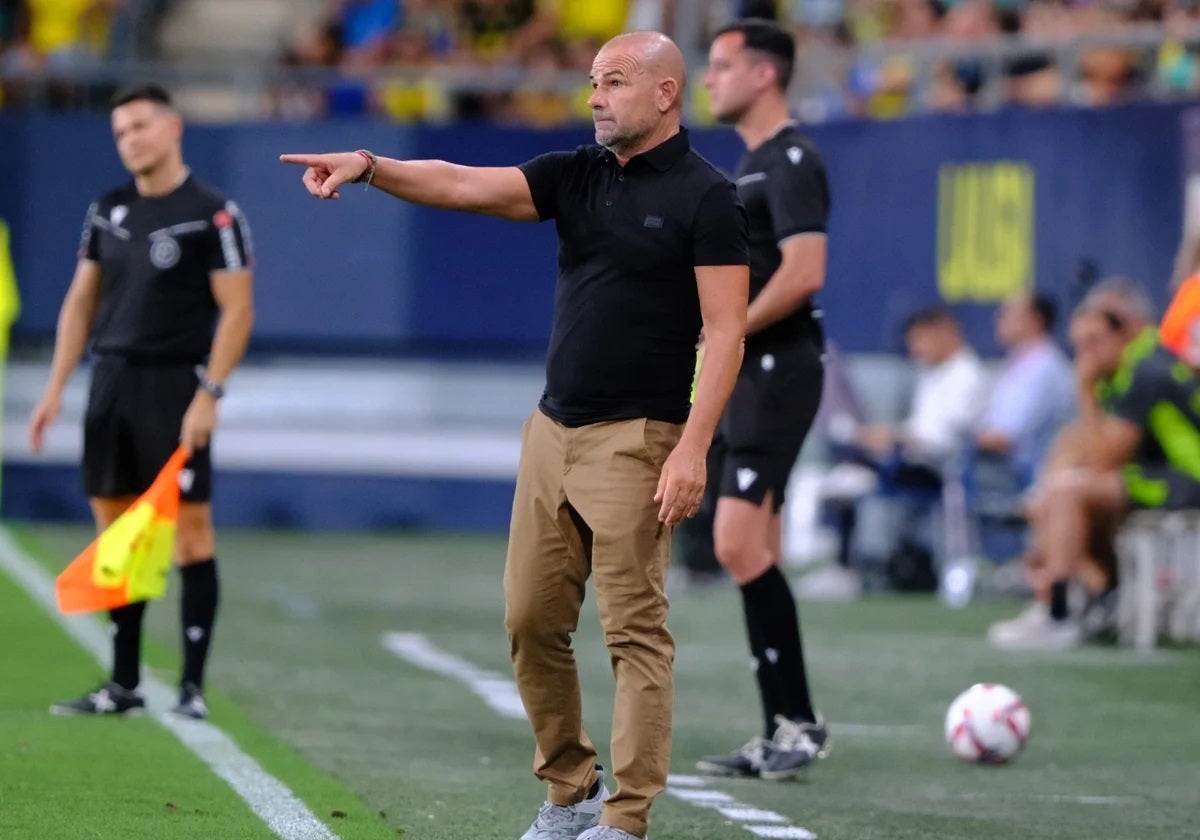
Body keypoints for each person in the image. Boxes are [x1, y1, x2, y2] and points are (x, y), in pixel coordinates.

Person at [282, 31, 749, 840]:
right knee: (530, 620)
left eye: (614, 81)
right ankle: (569, 790)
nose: (596, 96)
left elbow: (726, 331)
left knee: (635, 633)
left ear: (667, 93)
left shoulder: (709, 197)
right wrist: (371, 167)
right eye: (593, 80)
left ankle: (625, 819)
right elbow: (461, 183)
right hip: (551, 429)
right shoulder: (576, 175)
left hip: (639, 438)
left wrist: (692, 444)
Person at [28, 83, 255, 718]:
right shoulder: (109, 209)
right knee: (118, 532)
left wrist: (209, 394)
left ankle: (192, 689)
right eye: (121, 132)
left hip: (176, 385)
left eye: (140, 127)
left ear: (173, 128)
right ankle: (123, 684)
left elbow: (237, 313)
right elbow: (82, 301)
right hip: (112, 382)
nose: (131, 140)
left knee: (190, 534)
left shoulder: (214, 213)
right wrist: (55, 388)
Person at [694, 18, 830, 782]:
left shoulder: (793, 158)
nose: (710, 79)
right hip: (756, 366)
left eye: (721, 66)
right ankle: (785, 725)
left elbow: (806, 270)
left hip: (780, 365)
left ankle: (798, 723)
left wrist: (729, 329)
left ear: (765, 74)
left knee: (736, 544)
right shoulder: (754, 162)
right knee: (755, 548)